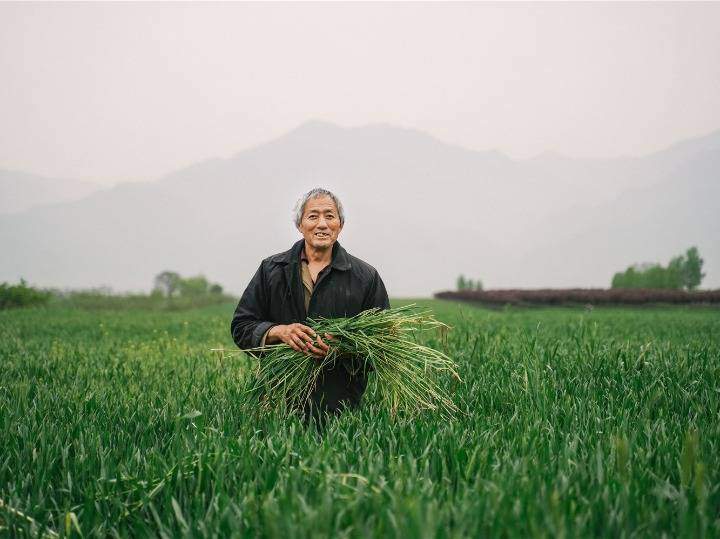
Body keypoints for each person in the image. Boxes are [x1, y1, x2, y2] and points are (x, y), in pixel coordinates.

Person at [230, 187, 390, 426]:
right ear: (300, 225)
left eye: (330, 216)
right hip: (279, 403)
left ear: (340, 225)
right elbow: (242, 327)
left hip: (342, 409)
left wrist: (344, 346)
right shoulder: (271, 270)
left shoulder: (365, 277)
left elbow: (385, 342)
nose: (322, 224)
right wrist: (278, 332)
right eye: (313, 216)